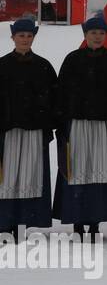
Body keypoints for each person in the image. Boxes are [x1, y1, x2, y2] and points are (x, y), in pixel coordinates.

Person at [53, 13, 107, 236]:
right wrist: (62, 122)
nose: (97, 36)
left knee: (99, 174)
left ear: (106, 36)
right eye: (93, 33)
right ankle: (77, 220)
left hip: (103, 127)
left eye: (101, 33)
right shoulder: (72, 59)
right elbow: (61, 93)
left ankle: (95, 221)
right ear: (86, 35)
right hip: (77, 126)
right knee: (77, 173)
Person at [0, 19, 57, 236]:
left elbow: (53, 99)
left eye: (29, 35)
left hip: (34, 130)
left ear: (34, 37)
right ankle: (5, 222)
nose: (25, 39)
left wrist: (46, 124)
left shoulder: (43, 66)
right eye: (21, 35)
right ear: (13, 37)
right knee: (7, 177)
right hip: (7, 131)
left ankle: (25, 221)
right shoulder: (2, 65)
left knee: (30, 177)